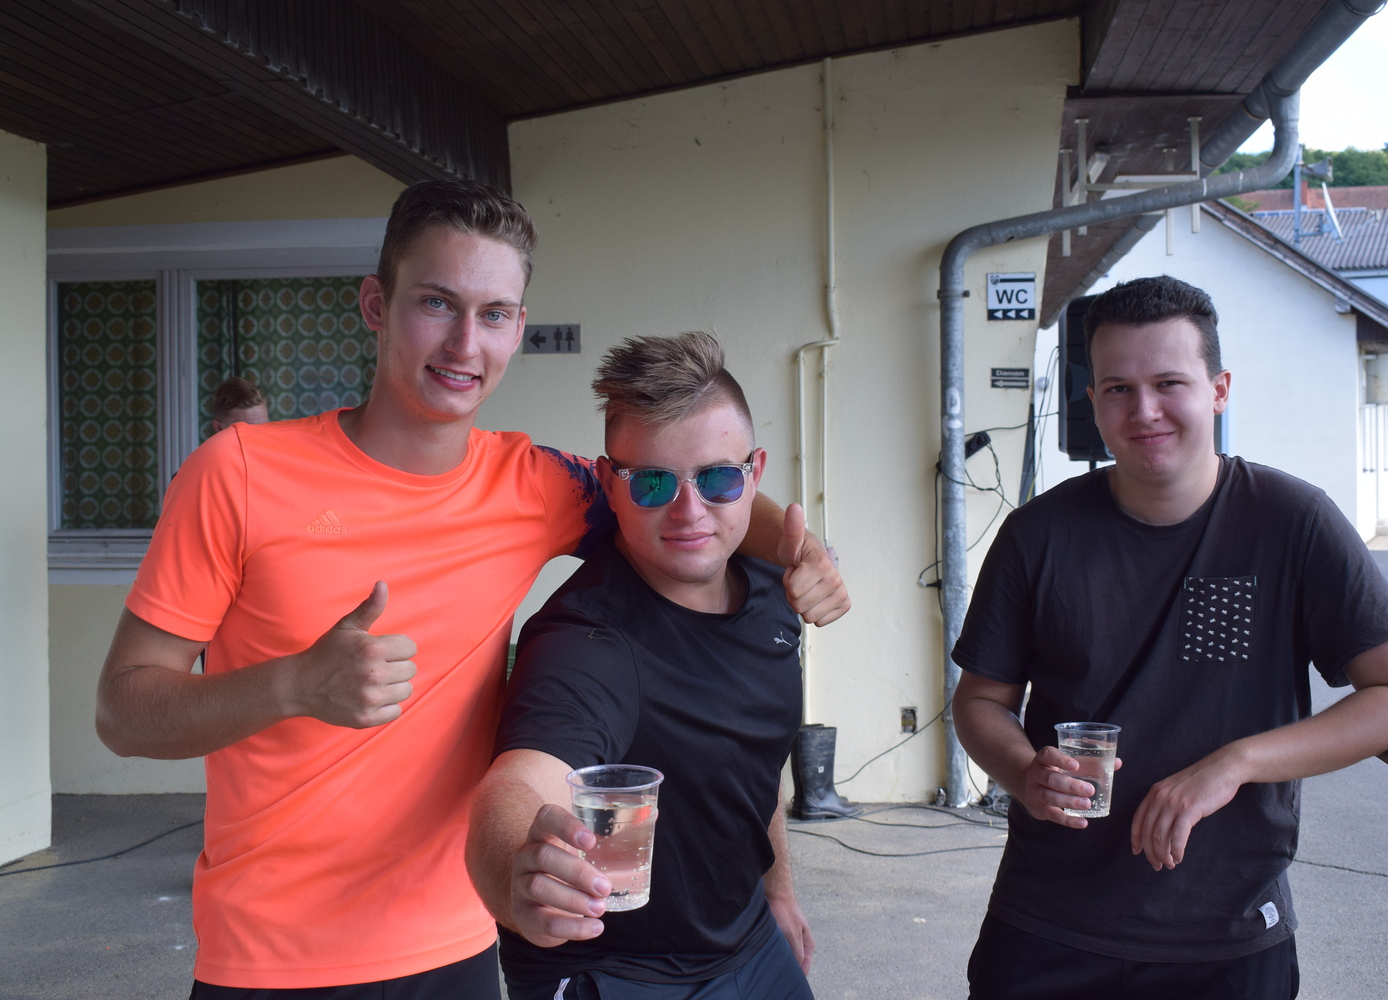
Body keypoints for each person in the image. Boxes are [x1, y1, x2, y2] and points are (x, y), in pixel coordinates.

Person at [94, 180, 849, 998]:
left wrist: (802, 549)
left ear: (518, 328)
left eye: (493, 314)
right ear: (376, 305)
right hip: (270, 957)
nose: (463, 343)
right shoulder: (237, 474)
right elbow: (123, 712)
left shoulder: (535, 484)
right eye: (436, 303)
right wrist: (293, 685)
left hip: (454, 946)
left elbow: (680, 488)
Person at [951, 274, 1388, 999]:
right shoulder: (1038, 534)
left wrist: (1237, 762)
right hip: (1047, 923)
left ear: (1219, 390)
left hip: (1228, 931)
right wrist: (1025, 773)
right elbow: (980, 702)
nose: (1144, 410)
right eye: (1118, 389)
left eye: (1169, 383)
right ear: (1092, 403)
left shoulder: (1292, 522)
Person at [465, 332, 815, 1000]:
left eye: (717, 478)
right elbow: (516, 785)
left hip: (746, 938)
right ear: (608, 482)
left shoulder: (771, 591)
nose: (690, 511)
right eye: (653, 482)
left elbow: (752, 754)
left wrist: (778, 890)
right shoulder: (587, 641)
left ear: (754, 473)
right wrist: (519, 874)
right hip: (613, 969)